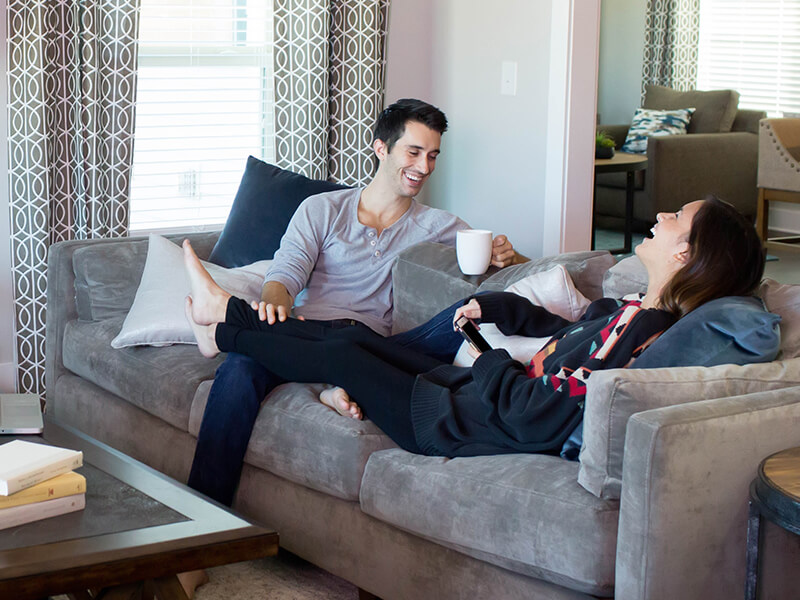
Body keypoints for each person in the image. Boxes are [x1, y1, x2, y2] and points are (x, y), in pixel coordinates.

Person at [181, 196, 766, 459]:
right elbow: (560, 333)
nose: (662, 216)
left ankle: (223, 320)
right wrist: (498, 310)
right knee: (349, 338)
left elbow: (539, 409)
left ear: (687, 255)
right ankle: (223, 323)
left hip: (455, 422)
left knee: (343, 354)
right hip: (467, 398)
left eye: (677, 217)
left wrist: (490, 358)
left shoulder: (645, 330)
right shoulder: (633, 309)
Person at [188, 98, 526, 505]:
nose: (425, 167)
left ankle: (227, 324)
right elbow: (285, 274)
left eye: (433, 155)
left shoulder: (440, 227)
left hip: (372, 348)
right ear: (381, 148)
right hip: (307, 333)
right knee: (241, 369)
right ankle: (203, 524)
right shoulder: (323, 209)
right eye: (414, 152)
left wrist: (510, 255)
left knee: (356, 342)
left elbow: (515, 268)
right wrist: (274, 304)